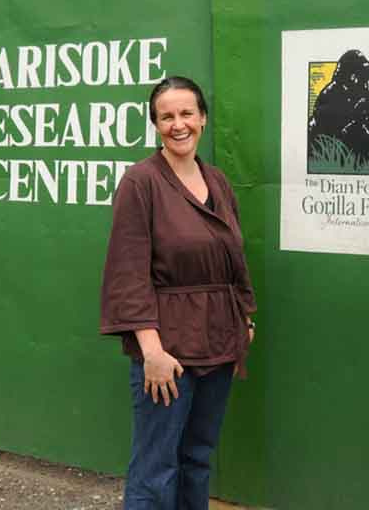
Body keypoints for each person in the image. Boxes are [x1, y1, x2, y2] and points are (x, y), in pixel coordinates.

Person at [100, 76, 257, 509]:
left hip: (219, 344)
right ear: (155, 125)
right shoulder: (140, 183)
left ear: (202, 119)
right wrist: (151, 351)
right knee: (156, 468)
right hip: (167, 352)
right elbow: (127, 274)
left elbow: (233, 256)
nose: (178, 124)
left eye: (186, 113)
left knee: (197, 459)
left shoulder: (219, 182)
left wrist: (244, 317)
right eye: (166, 116)